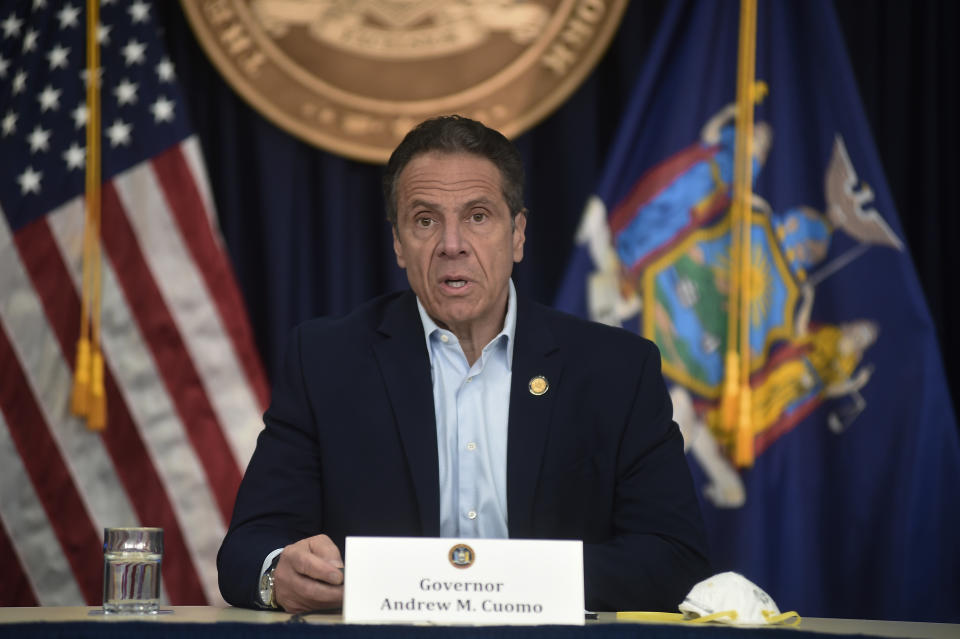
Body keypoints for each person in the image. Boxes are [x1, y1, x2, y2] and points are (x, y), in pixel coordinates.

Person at [217, 115, 711, 613]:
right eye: (425, 220)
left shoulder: (616, 370)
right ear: (398, 243)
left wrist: (503, 585)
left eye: (477, 216)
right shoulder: (326, 361)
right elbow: (247, 550)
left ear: (517, 234)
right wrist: (277, 576)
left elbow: (674, 557)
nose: (451, 245)